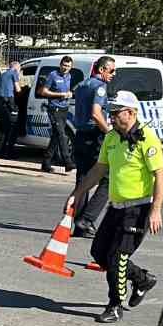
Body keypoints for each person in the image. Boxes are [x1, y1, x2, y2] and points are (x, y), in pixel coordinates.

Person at [67, 90, 163, 324]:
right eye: (110, 112)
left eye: (115, 112)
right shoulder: (112, 138)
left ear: (131, 113)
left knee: (117, 257)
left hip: (138, 209)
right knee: (99, 253)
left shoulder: (147, 139)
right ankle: (142, 279)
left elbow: (160, 175)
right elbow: (99, 170)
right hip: (116, 207)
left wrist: (156, 209)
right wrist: (77, 193)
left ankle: (115, 305)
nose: (111, 117)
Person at [69, 55, 117, 236]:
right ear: (102, 70)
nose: (114, 74)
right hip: (94, 137)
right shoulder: (100, 87)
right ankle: (87, 219)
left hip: (80, 135)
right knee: (107, 178)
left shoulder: (82, 85)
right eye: (111, 70)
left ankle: (79, 224)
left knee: (83, 179)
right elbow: (96, 114)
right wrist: (109, 133)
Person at [38, 56, 76, 174]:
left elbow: (70, 91)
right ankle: (67, 161)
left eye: (68, 66)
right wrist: (60, 95)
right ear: (60, 65)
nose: (66, 68)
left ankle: (46, 162)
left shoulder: (69, 76)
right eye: (64, 65)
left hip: (65, 109)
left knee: (56, 136)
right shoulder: (53, 75)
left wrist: (70, 94)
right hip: (55, 109)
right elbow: (43, 91)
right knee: (61, 134)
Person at [0, 61, 23, 159]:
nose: (19, 72)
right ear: (16, 68)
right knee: (13, 127)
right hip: (9, 101)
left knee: (6, 129)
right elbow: (18, 89)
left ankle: (0, 152)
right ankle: (9, 152)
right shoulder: (13, 73)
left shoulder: (2, 75)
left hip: (0, 103)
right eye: (19, 69)